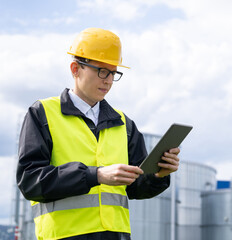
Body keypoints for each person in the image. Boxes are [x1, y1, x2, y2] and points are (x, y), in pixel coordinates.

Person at [16, 27, 180, 240]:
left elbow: (137, 188)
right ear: (75, 68)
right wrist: (96, 175)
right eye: (102, 71)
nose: (109, 80)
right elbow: (30, 181)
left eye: (113, 73)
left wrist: (160, 174)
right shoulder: (43, 114)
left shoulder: (124, 124)